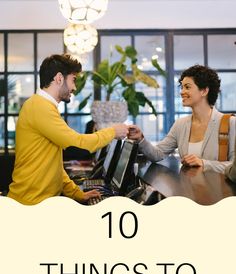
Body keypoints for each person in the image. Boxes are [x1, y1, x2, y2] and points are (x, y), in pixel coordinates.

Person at [8, 54, 128, 205]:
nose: (74, 87)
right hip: (31, 205)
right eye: (73, 80)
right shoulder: (40, 107)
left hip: (39, 201)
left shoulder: (43, 106)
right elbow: (77, 142)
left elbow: (54, 166)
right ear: (59, 78)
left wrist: (77, 193)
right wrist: (113, 131)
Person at [128, 65, 236, 173]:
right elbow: (158, 154)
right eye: (182, 87)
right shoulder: (180, 124)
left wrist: (204, 163)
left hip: (217, 189)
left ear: (204, 91)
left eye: (187, 87)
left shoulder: (230, 123)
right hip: (187, 189)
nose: (182, 92)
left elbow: (233, 166)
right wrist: (140, 138)